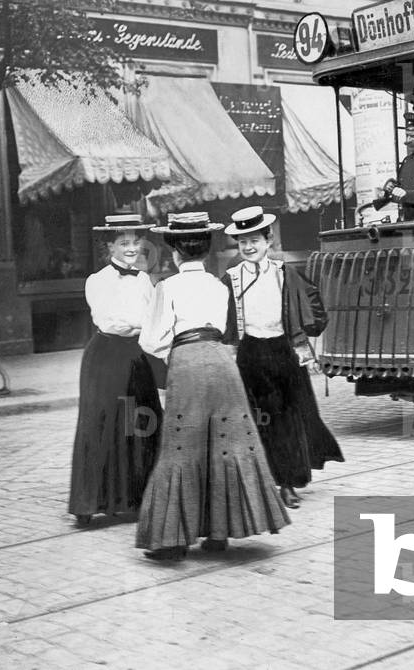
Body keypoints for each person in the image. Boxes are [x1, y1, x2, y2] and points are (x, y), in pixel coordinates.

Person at [136, 212, 290, 560]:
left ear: (175, 251)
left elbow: (151, 340)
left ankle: (171, 539)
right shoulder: (221, 285)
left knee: (182, 446)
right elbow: (228, 329)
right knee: (226, 442)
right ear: (206, 250)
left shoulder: (167, 287)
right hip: (222, 362)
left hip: (187, 362)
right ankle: (219, 534)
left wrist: (174, 352)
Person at [222, 206, 343, 509]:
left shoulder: (285, 274)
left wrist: (304, 325)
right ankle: (258, 483)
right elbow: (222, 321)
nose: (248, 247)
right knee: (256, 419)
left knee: (288, 419)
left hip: (283, 352)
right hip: (249, 355)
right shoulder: (230, 279)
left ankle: (288, 483)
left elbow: (315, 311)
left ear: (268, 240)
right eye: (242, 242)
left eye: (254, 240)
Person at [68, 214, 162, 526]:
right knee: (103, 422)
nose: (132, 248)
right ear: (110, 246)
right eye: (124, 243)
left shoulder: (145, 279)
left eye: (136, 242)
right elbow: (110, 321)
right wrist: (139, 323)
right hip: (106, 357)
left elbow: (151, 318)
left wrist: (142, 325)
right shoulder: (98, 281)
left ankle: (136, 498)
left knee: (141, 422)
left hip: (137, 356)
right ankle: (91, 501)